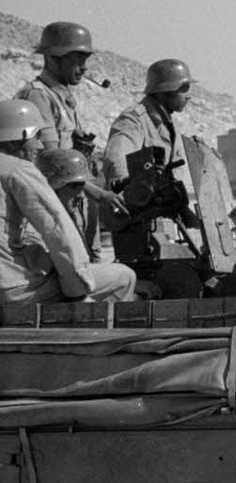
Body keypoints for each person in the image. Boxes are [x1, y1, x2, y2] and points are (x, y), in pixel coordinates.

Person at [0, 100, 136, 304]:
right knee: (124, 277)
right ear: (15, 139)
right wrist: (78, 289)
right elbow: (55, 227)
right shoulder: (19, 170)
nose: (39, 145)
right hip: (15, 288)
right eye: (36, 136)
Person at [16, 21, 126, 258]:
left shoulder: (62, 97)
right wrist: (99, 194)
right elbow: (49, 164)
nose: (84, 68)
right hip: (56, 207)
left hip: (75, 203)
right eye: (78, 60)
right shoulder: (38, 96)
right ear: (54, 58)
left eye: (86, 60)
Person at [102, 59, 195, 191]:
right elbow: (118, 159)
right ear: (166, 90)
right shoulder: (134, 120)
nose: (188, 96)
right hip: (140, 206)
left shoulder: (169, 126)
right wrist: (128, 189)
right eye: (184, 89)